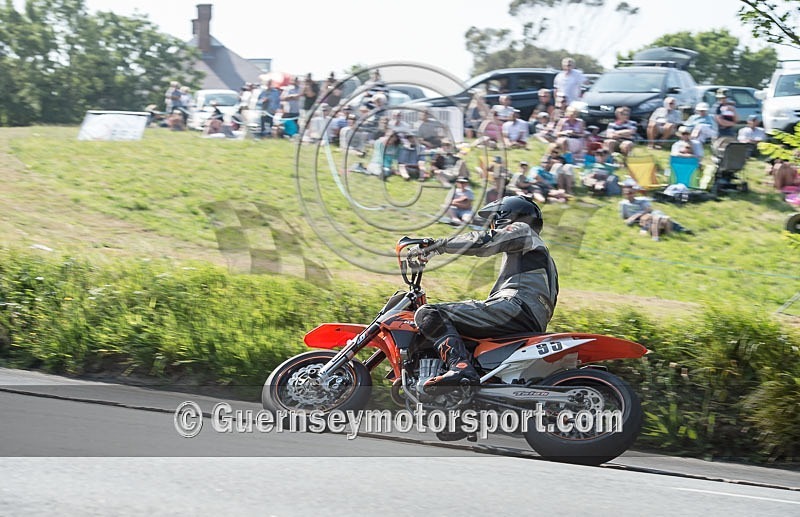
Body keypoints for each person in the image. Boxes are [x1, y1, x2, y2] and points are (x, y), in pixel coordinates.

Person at [407, 196, 559, 389]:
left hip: (515, 308)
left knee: (429, 313)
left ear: (506, 217)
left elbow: (485, 241)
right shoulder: (540, 256)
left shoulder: (524, 231)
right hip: (528, 318)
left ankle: (460, 367)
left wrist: (438, 245)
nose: (492, 226)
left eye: (494, 221)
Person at [619, 183, 692, 240]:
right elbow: (624, 217)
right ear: (624, 194)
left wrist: (635, 216)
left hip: (650, 214)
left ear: (634, 193)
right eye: (627, 193)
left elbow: (648, 209)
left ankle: (682, 229)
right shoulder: (623, 204)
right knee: (656, 220)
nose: (629, 195)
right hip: (642, 219)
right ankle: (660, 236)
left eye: (631, 193)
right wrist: (630, 220)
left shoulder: (642, 200)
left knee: (659, 217)